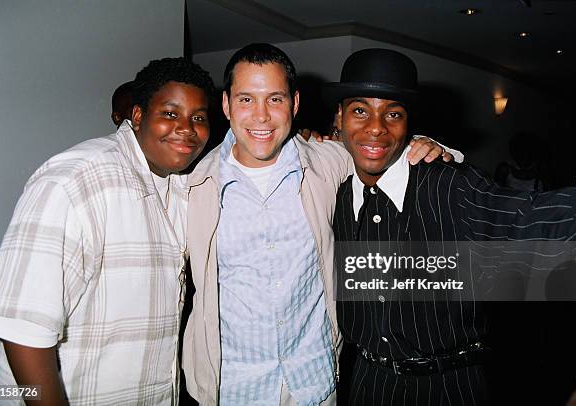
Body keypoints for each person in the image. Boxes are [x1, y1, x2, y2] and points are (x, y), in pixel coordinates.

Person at [182, 43, 457, 405]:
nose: (261, 116)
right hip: (232, 386)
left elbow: (379, 143)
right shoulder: (191, 183)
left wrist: (431, 146)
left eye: (275, 99)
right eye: (246, 99)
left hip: (313, 383)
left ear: (294, 104)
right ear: (225, 104)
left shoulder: (328, 161)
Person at [325, 48, 576, 405]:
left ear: (408, 125)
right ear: (338, 119)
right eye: (359, 111)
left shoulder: (448, 186)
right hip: (367, 382)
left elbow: (537, 221)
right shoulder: (333, 195)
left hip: (447, 387)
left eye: (394, 114)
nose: (376, 128)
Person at [0, 57, 214, 405]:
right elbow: (23, 332)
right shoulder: (75, 181)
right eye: (170, 113)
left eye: (198, 118)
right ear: (137, 117)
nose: (187, 128)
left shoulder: (179, 188)